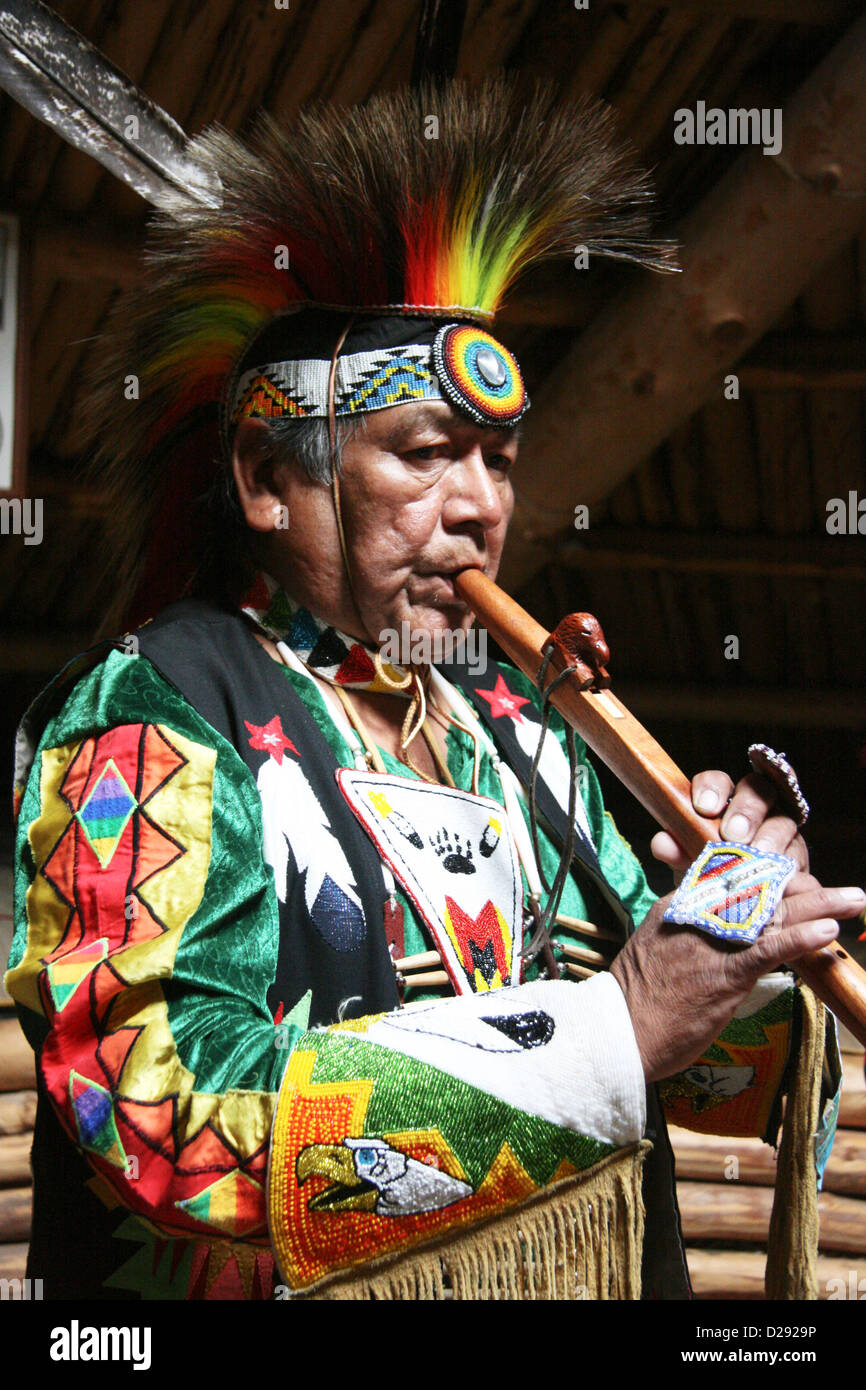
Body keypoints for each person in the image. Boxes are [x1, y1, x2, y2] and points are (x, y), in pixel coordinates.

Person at [6, 80, 857, 1301]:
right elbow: (156, 1117)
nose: (481, 506)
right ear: (264, 477)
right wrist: (608, 1028)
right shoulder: (146, 716)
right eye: (424, 452)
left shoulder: (523, 737)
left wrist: (738, 945)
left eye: (498, 461)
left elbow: (692, 1068)